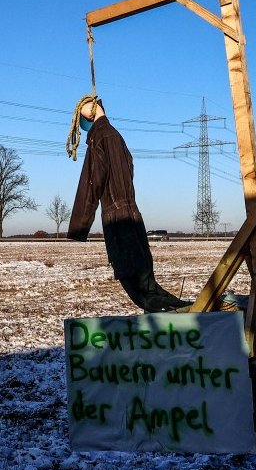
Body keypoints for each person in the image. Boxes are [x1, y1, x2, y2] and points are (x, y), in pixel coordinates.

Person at [65, 96, 191, 313]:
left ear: (88, 115)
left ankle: (171, 317)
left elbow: (91, 183)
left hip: (118, 220)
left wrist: (79, 227)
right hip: (132, 216)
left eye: (81, 120)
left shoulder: (100, 138)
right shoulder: (116, 136)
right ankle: (173, 309)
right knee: (144, 277)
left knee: (134, 282)